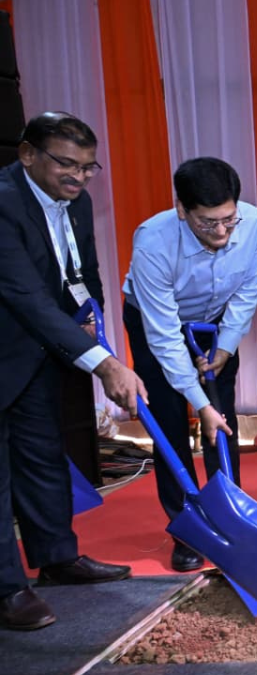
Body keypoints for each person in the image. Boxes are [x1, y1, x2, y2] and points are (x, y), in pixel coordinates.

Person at [0, 112, 142, 631]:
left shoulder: (75, 202)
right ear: (27, 154)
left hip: (36, 353)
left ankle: (58, 559)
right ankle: (8, 590)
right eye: (67, 164)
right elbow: (26, 298)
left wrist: (92, 321)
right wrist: (104, 365)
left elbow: (83, 274)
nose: (79, 178)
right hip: (11, 340)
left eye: (88, 167)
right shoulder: (3, 204)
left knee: (42, 457)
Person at [122, 157, 257, 572]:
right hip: (158, 322)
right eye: (208, 223)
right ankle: (187, 528)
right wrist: (196, 402)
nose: (222, 233)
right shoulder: (153, 241)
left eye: (228, 220)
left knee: (223, 421)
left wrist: (225, 346)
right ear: (181, 209)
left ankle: (231, 519)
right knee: (169, 422)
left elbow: (247, 292)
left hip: (216, 320)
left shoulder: (254, 223)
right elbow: (164, 336)